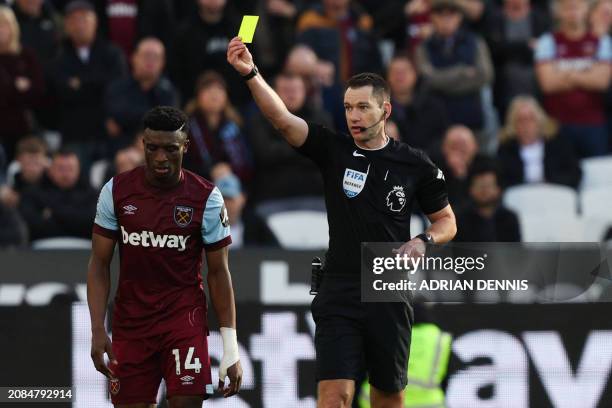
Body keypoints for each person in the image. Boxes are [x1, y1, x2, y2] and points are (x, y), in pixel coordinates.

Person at [227, 37, 456, 408]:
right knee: (335, 396)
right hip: (339, 288)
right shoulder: (334, 150)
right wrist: (251, 73)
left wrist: (423, 241)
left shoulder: (415, 164)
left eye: (363, 107)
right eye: (349, 107)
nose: (354, 116)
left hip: (387, 290)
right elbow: (282, 120)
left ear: (385, 111)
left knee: (388, 397)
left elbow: (446, 221)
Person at [87, 106, 242, 407]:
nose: (160, 158)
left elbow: (219, 272)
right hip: (131, 325)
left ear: (185, 146)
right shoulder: (116, 192)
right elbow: (99, 263)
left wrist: (231, 347)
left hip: (183, 321)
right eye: (153, 148)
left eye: (170, 149)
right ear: (142, 145)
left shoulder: (206, 198)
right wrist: (96, 329)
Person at [49, 0, 126, 165]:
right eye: (73, 20)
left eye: (84, 19)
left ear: (95, 22)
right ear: (66, 26)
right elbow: (62, 92)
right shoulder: (59, 57)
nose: (79, 25)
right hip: (74, 134)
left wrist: (80, 83)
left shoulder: (112, 53)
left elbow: (117, 87)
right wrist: (97, 83)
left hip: (107, 133)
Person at [534, 0, 611, 157]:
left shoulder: (602, 41)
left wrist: (565, 74)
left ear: (586, 10)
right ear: (558, 12)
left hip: (593, 123)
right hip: (557, 124)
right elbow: (548, 84)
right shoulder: (547, 41)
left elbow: (601, 82)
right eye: (567, 8)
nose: (572, 12)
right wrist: (586, 73)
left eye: (577, 7)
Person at [415, 0, 494, 138]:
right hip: (437, 119)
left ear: (459, 17)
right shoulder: (423, 46)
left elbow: (485, 75)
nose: (446, 20)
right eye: (440, 15)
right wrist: (462, 72)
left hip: (471, 115)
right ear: (432, 17)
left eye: (451, 15)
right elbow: (427, 78)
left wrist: (443, 80)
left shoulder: (475, 41)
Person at [105, 37, 178, 155]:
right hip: (121, 149)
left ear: (162, 63)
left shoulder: (168, 91)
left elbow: (169, 124)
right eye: (146, 55)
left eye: (156, 57)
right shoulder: (117, 88)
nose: (150, 61)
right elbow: (115, 117)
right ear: (134, 58)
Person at [183, 71, 252, 184]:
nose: (214, 93)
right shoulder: (187, 128)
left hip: (234, 191)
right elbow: (183, 167)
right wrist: (210, 172)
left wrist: (230, 169)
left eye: (219, 88)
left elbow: (248, 164)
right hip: (197, 189)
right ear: (198, 96)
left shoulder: (235, 126)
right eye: (207, 88)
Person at [497, 95, 581, 188]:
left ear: (540, 121)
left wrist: (549, 183)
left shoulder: (558, 144)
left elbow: (574, 174)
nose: (526, 124)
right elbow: (502, 181)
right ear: (513, 124)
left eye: (530, 119)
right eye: (521, 120)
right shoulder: (506, 149)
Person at [18, 148, 98, 241]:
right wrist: (75, 218)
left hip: (84, 247)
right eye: (61, 169)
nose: (65, 174)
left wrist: (52, 213)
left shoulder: (92, 194)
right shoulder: (33, 193)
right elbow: (32, 224)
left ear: (79, 170)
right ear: (50, 170)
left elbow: (94, 223)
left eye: (70, 169)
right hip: (42, 248)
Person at [0, 5, 45, 162]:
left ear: (13, 27)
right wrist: (17, 87)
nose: (1, 30)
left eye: (4, 24)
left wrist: (8, 90)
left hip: (23, 129)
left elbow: (38, 91)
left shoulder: (26, 56)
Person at [387, 54, 449, 154]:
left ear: (415, 74)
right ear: (387, 76)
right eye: (395, 72)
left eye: (404, 72)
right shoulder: (379, 108)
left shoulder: (433, 105)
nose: (399, 76)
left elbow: (442, 138)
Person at [454, 159, 522, 242]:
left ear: (498, 189)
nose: (484, 190)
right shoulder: (460, 219)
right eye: (480, 186)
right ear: (471, 189)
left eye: (489, 186)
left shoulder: (509, 218)